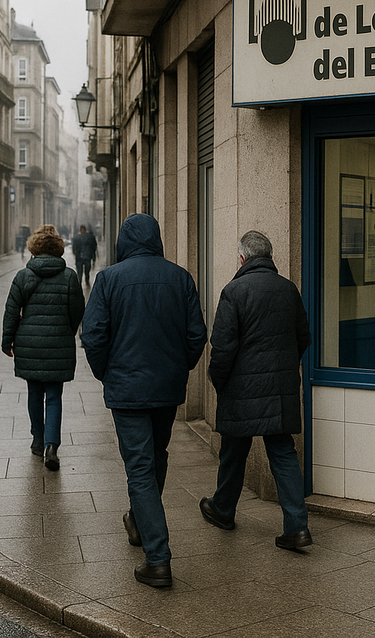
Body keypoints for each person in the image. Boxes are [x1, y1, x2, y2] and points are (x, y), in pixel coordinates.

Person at [81, 214, 206, 588]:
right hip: (166, 388)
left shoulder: (108, 279)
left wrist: (108, 373)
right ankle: (139, 521)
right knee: (156, 457)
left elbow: (94, 335)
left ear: (123, 241)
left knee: (139, 467)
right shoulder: (180, 277)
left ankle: (158, 557)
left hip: (128, 390)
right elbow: (196, 335)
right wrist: (178, 368)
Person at [199, 230, 312, 550]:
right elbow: (303, 337)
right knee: (283, 452)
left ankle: (222, 509)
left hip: (241, 389)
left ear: (242, 258)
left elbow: (222, 348)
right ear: (270, 257)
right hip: (279, 390)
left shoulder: (233, 291)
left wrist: (218, 381)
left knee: (234, 451)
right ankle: (297, 527)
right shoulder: (288, 289)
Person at [1, 224, 85, 471]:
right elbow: (78, 311)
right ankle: (52, 446)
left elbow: (11, 313)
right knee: (55, 396)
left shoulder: (22, 276)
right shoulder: (69, 276)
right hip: (58, 342)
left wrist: (8, 342)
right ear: (57, 248)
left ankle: (37, 440)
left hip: (29, 344)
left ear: (34, 249)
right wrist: (65, 333)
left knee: (34, 393)